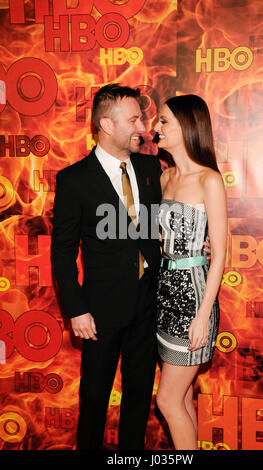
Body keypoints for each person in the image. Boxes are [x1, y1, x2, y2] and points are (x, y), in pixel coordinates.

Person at [51, 83, 163, 450]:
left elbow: (165, 221)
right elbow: (63, 252)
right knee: (95, 400)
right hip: (99, 311)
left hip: (148, 305)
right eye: (133, 119)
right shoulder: (74, 179)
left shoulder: (150, 167)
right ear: (106, 125)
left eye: (142, 119)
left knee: (138, 398)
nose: (142, 127)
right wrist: (77, 309)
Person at [154, 94, 227, 450]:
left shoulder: (209, 180)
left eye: (164, 121)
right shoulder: (166, 176)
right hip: (164, 293)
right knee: (181, 400)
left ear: (186, 126)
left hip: (193, 296)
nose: (156, 128)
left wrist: (202, 315)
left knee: (167, 400)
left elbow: (221, 254)